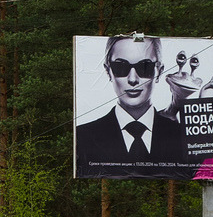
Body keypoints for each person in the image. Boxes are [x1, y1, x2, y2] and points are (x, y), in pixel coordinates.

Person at [75, 33, 195, 179]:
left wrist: (205, 107)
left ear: (159, 72)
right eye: (120, 67)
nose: (133, 79)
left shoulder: (185, 138)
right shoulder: (82, 138)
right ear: (108, 71)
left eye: (144, 67)